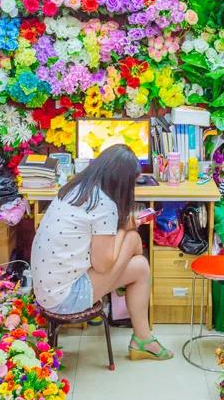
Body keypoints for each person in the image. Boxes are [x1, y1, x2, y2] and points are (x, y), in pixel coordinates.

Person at [31, 144, 172, 360]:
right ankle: (143, 339)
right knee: (141, 263)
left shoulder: (76, 188)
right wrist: (125, 227)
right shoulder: (104, 205)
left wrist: (124, 228)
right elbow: (102, 265)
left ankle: (125, 291)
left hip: (45, 290)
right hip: (64, 298)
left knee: (132, 240)